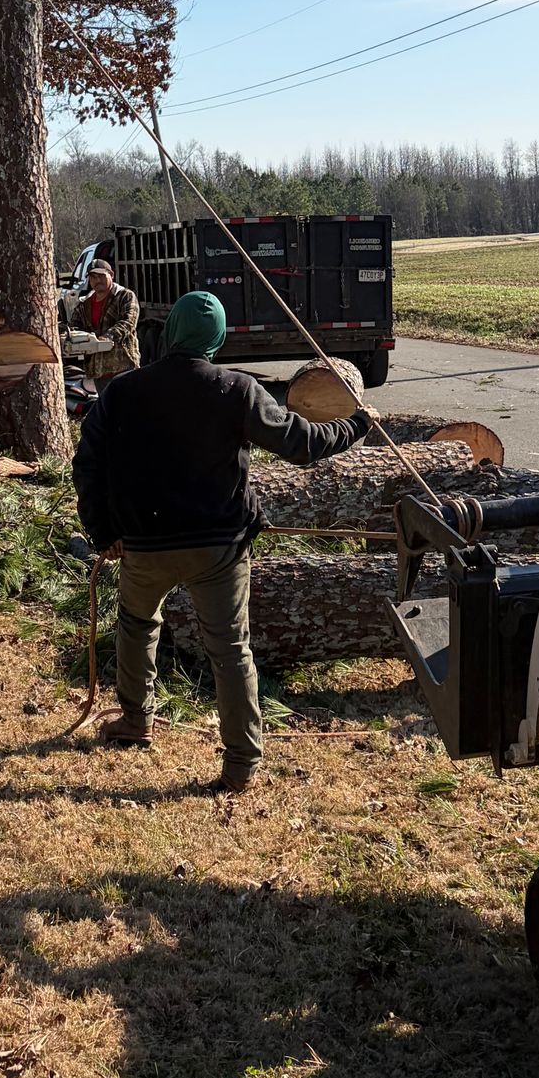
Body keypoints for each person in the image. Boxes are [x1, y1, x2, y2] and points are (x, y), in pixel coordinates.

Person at [72, 289, 373, 794]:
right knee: (231, 651)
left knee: (136, 625)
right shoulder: (237, 390)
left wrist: (105, 533)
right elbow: (300, 444)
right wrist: (358, 425)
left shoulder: (122, 391)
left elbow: (87, 468)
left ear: (170, 334)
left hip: (143, 544)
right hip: (219, 549)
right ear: (215, 340)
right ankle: (240, 766)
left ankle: (136, 720)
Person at [72, 257, 139, 394]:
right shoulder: (84, 304)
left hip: (123, 368)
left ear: (111, 275)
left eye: (101, 276)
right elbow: (74, 327)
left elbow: (128, 323)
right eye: (93, 277)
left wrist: (106, 338)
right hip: (98, 372)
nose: (97, 281)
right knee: (108, 412)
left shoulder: (125, 296)